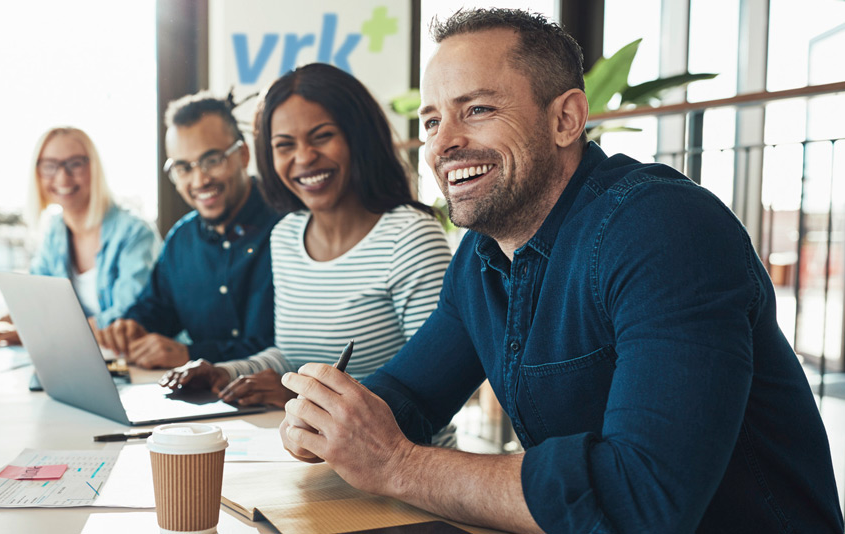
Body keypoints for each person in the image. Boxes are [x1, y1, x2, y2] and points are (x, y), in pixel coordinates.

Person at [276, 9, 845, 534]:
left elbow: (642, 499)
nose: (444, 143)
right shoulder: (482, 257)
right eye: (430, 121)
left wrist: (396, 464)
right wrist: (333, 420)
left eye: (476, 109)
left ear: (567, 118)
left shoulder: (665, 229)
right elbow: (408, 395)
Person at [159, 64, 453, 420]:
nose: (303, 157)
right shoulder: (286, 235)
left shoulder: (410, 237)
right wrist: (226, 372)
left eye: (322, 136)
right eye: (284, 145)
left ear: (357, 137)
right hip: (306, 456)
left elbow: (433, 389)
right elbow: (290, 356)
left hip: (397, 467)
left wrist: (300, 395)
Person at [93, 92, 280, 369]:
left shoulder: (288, 229)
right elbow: (156, 308)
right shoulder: (182, 239)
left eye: (212, 160)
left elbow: (286, 350)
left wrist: (191, 354)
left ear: (243, 155)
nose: (199, 180)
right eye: (183, 168)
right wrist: (132, 327)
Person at [0, 127, 160, 346]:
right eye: (50, 166)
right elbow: (35, 303)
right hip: (80, 358)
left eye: (75, 163)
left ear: (94, 168)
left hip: (135, 360)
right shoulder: (55, 230)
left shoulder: (135, 232)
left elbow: (126, 321)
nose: (62, 177)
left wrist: (31, 334)